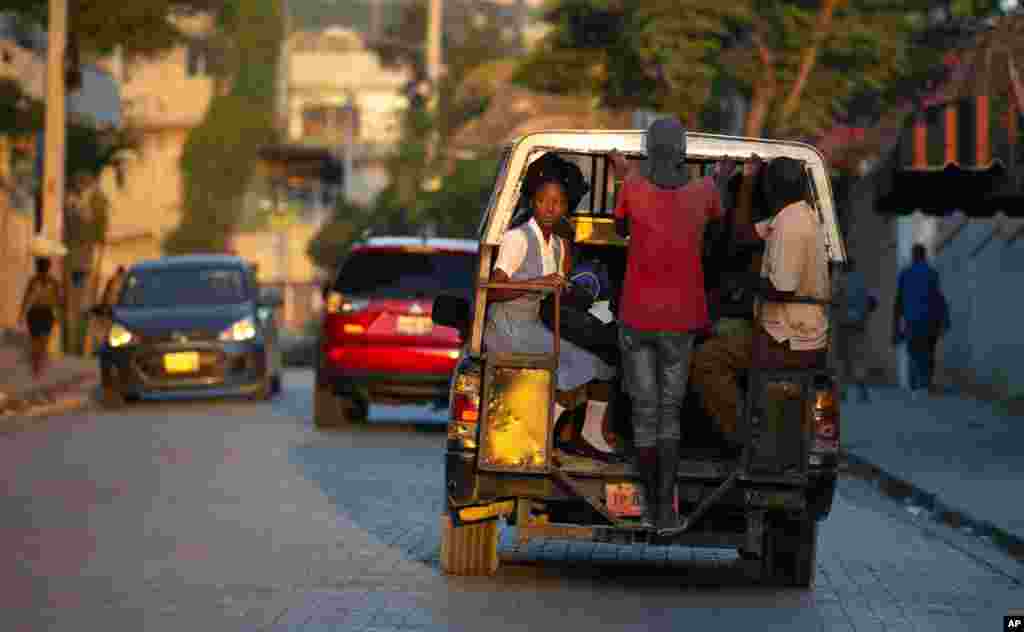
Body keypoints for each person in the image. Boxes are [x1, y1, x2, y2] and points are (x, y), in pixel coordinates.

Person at [608, 117, 736, 530]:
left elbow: (621, 228)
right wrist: (722, 177)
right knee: (669, 413)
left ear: (649, 150)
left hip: (635, 317)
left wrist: (622, 176)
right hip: (681, 322)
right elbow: (721, 227)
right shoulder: (703, 192)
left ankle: (649, 505)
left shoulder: (632, 187)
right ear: (682, 152)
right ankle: (664, 509)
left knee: (644, 412)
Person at [691, 156, 830, 455]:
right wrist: (748, 183)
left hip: (788, 340)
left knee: (707, 361)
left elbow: (780, 289)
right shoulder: (795, 214)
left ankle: (747, 441)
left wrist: (746, 282)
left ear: (772, 188)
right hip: (789, 332)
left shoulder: (791, 225)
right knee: (723, 335)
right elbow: (742, 235)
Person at [484, 154, 619, 461]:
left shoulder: (557, 244)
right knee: (578, 364)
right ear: (534, 203)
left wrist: (571, 291)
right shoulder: (517, 239)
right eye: (544, 201)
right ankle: (540, 438)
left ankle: (588, 434)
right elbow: (493, 290)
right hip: (508, 329)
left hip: (534, 324)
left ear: (566, 207)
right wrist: (537, 283)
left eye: (558, 202)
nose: (551, 207)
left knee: (601, 363)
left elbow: (553, 287)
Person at [892, 244, 950, 399]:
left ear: (913, 256)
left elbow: (899, 300)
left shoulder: (905, 274)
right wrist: (944, 321)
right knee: (929, 352)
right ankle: (926, 383)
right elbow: (938, 298)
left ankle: (914, 384)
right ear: (924, 256)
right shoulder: (932, 273)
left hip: (912, 320)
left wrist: (896, 326)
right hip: (930, 320)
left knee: (913, 351)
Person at [835, 258, 878, 402]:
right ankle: (862, 390)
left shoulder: (839, 282)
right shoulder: (862, 282)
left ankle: (842, 392)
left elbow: (833, 301)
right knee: (859, 358)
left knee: (842, 359)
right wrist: (864, 313)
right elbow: (873, 302)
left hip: (842, 325)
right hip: (859, 325)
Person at [18, 257, 64, 380]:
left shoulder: (53, 282)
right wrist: (22, 314)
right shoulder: (34, 281)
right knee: (36, 342)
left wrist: (58, 314)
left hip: (46, 313)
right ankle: (36, 366)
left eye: (43, 267)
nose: (42, 270)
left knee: (43, 342)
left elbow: (58, 300)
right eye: (41, 268)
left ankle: (38, 365)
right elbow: (27, 298)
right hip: (35, 313)